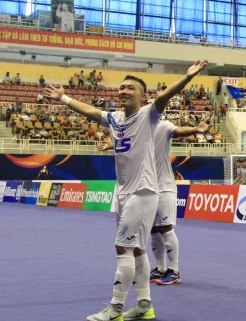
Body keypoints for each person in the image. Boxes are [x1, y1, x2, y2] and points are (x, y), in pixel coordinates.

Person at [44, 59, 208, 321]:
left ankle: (116, 308)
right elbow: (89, 111)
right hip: (122, 192)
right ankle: (144, 306)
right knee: (138, 250)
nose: (123, 91)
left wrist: (188, 78)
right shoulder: (115, 118)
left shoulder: (149, 115)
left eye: (130, 88)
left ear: (142, 96)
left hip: (143, 191)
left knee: (122, 248)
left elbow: (166, 95)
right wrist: (64, 97)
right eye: (121, 88)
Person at [100, 121, 208, 287]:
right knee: (153, 229)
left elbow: (179, 131)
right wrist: (111, 146)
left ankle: (174, 271)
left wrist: (195, 129)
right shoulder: (140, 129)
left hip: (164, 187)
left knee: (165, 227)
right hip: (148, 187)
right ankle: (160, 268)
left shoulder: (163, 126)